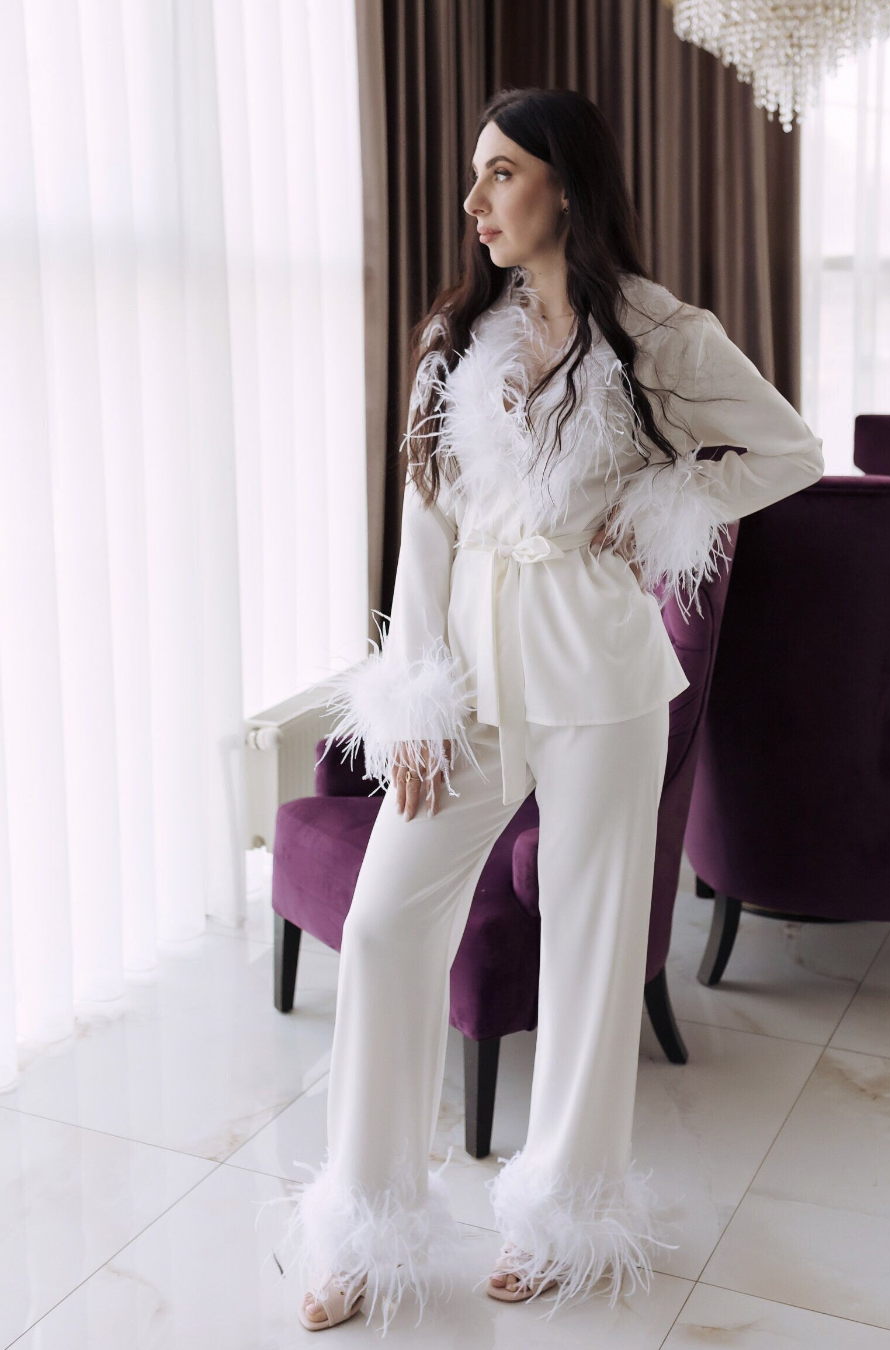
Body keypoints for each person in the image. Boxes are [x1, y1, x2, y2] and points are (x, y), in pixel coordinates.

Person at [283, 85, 825, 1334]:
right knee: (383, 926)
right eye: (474, 177)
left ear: (564, 186)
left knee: (589, 948)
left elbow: (786, 449)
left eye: (501, 174)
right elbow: (422, 535)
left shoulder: (660, 334)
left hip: (599, 674)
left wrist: (663, 509)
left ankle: (563, 1223)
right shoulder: (452, 341)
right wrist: (411, 696)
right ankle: (362, 1228)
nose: (473, 201)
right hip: (469, 681)